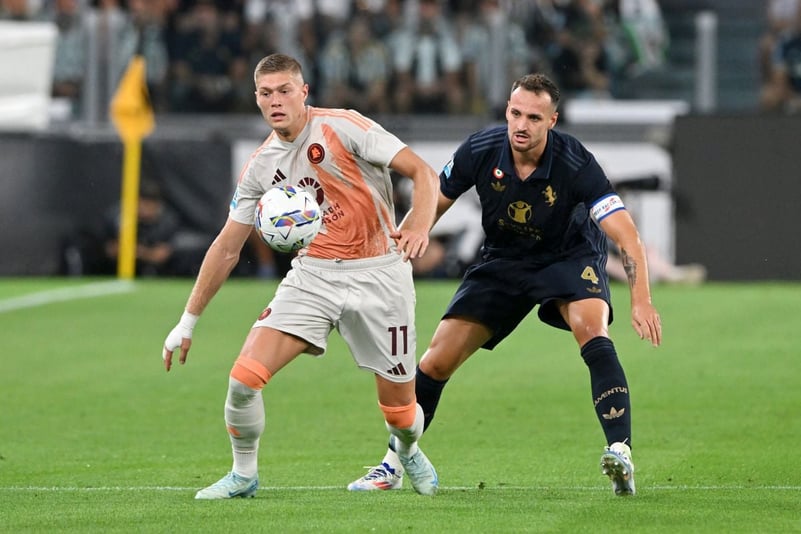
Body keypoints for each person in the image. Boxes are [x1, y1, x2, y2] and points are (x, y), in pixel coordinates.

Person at [348, 73, 662, 497]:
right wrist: (406, 240)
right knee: (436, 361)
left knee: (592, 329)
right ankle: (392, 464)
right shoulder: (481, 149)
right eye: (515, 113)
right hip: (503, 261)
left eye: (534, 118)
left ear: (552, 121)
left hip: (567, 258)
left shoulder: (575, 162)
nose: (521, 125)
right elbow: (434, 201)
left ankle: (620, 452)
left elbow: (627, 236)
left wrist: (641, 301)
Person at [161, 53, 440, 499]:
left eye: (284, 91)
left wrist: (419, 225)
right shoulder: (260, 166)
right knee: (243, 380)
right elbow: (227, 247)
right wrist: (187, 321)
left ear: (303, 92)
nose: (276, 101)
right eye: (266, 93)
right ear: (256, 98)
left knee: (401, 414)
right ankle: (244, 475)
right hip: (313, 276)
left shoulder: (343, 126)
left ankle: (406, 451)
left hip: (380, 274)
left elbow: (422, 172)